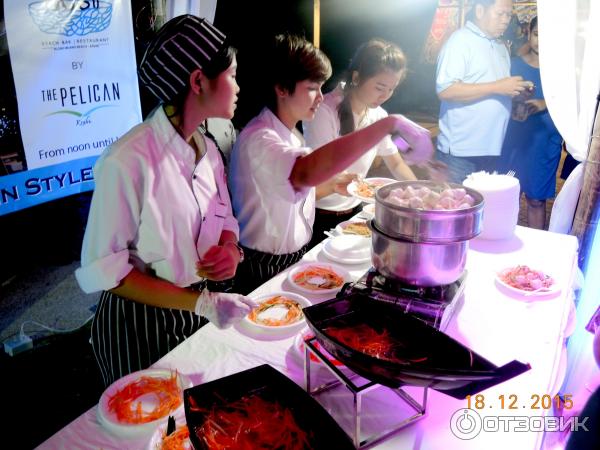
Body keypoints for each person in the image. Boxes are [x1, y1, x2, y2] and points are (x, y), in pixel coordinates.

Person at [75, 15, 256, 386]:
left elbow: (224, 219)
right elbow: (106, 270)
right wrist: (202, 303)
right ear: (198, 81)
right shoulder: (126, 160)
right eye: (233, 75)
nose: (238, 86)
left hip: (196, 311)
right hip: (139, 325)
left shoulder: (207, 148)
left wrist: (230, 249)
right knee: (150, 432)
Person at [229, 34, 433, 294]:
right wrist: (388, 124)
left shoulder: (290, 134)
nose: (320, 97)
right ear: (281, 88)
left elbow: (303, 187)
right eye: (312, 88)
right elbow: (305, 172)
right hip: (263, 262)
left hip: (294, 254)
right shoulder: (260, 138)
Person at [302, 38, 417, 246]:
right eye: (380, 87)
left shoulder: (378, 116)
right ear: (357, 77)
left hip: (355, 211)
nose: (385, 96)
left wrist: (417, 193)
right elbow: (321, 172)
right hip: (320, 213)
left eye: (391, 89)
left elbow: (397, 162)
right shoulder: (325, 111)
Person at [435, 0, 532, 183]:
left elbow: (497, 89)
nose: (505, 20)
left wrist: (516, 93)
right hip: (460, 153)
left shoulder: (501, 47)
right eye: (500, 14)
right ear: (480, 10)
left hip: (492, 148)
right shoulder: (460, 41)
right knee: (453, 208)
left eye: (508, 15)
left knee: (482, 208)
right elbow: (446, 90)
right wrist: (498, 86)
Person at [500, 17, 562, 230]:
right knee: (509, 194)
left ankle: (536, 253)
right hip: (514, 139)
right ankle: (506, 242)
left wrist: (544, 103)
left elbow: (571, 103)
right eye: (537, 35)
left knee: (536, 199)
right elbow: (501, 96)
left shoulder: (560, 70)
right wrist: (516, 100)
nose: (540, 41)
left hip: (544, 141)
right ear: (528, 33)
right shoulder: (513, 65)